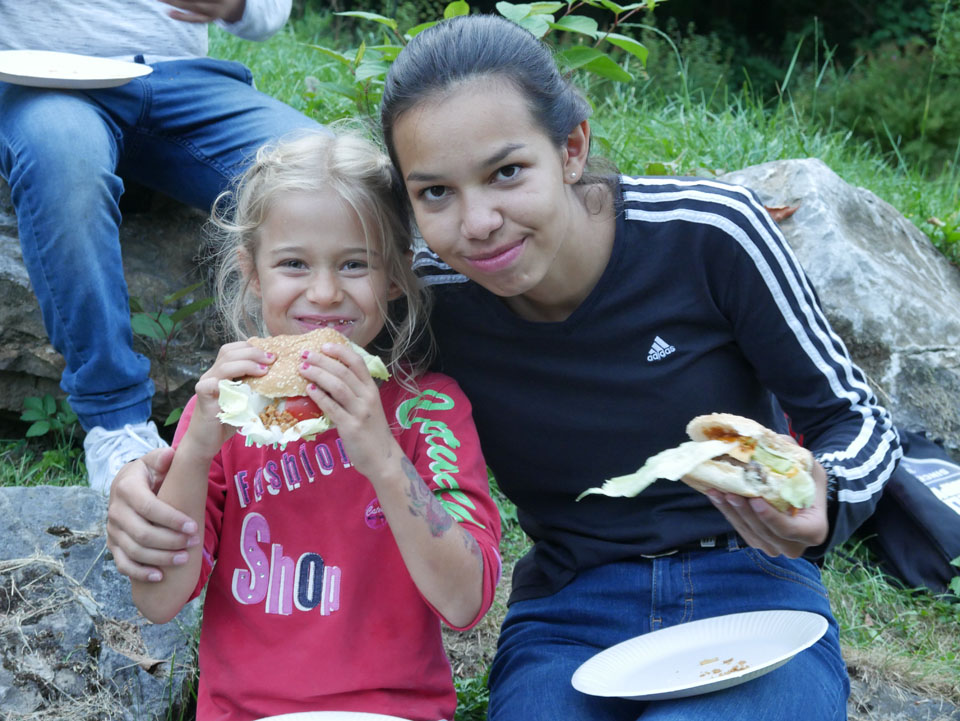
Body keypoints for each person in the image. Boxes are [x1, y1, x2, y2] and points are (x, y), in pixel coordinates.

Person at [106, 13, 901, 721]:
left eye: (508, 171)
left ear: (572, 147)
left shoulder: (710, 235)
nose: (478, 223)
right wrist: (154, 474)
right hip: (570, 602)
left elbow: (855, 419)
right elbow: (306, 363)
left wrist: (824, 495)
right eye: (436, 192)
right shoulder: (431, 295)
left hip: (749, 582)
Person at [127, 129, 502, 721]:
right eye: (293, 264)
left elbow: (465, 602)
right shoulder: (223, 413)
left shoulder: (426, 408)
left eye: (355, 264)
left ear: (396, 277)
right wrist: (197, 450)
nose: (325, 293)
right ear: (252, 273)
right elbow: (157, 598)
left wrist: (380, 454)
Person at [0, 0, 320, 492]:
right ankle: (116, 425)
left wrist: (238, 4)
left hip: (186, 80)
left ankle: (323, 386)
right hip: (41, 80)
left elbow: (269, 12)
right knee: (66, 165)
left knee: (325, 180)